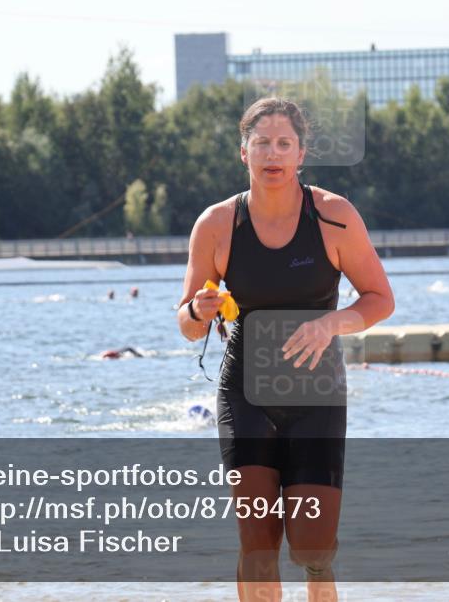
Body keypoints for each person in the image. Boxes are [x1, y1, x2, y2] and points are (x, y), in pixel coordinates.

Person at [177, 97, 394, 602]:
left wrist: (331, 324)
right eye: (261, 143)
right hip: (245, 395)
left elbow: (380, 299)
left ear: (301, 153)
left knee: (313, 552)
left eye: (283, 143)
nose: (272, 153)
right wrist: (201, 310)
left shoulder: (334, 215)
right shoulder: (216, 224)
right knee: (257, 546)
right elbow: (186, 324)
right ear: (243, 152)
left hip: (317, 396)